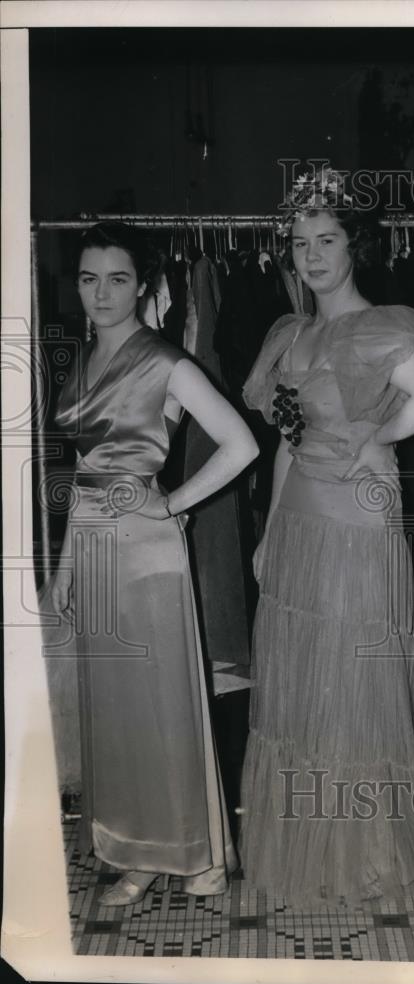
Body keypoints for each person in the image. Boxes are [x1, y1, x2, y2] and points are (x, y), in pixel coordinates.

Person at [238, 169, 414, 905]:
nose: (312, 256)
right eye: (301, 242)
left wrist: (375, 434)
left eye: (327, 240)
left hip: (360, 516)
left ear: (353, 245)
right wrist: (269, 533)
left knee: (353, 679)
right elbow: (285, 441)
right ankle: (309, 847)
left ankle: (366, 853)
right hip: (302, 513)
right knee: (303, 682)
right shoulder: (290, 331)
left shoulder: (381, 325)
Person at [50, 223, 259, 907]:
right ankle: (136, 851)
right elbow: (83, 473)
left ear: (143, 286)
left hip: (146, 553)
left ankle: (197, 853)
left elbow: (240, 445)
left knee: (165, 708)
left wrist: (173, 505)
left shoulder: (168, 364)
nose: (101, 292)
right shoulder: (80, 362)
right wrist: (65, 569)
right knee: (116, 714)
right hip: (92, 547)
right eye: (89, 278)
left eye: (116, 278)